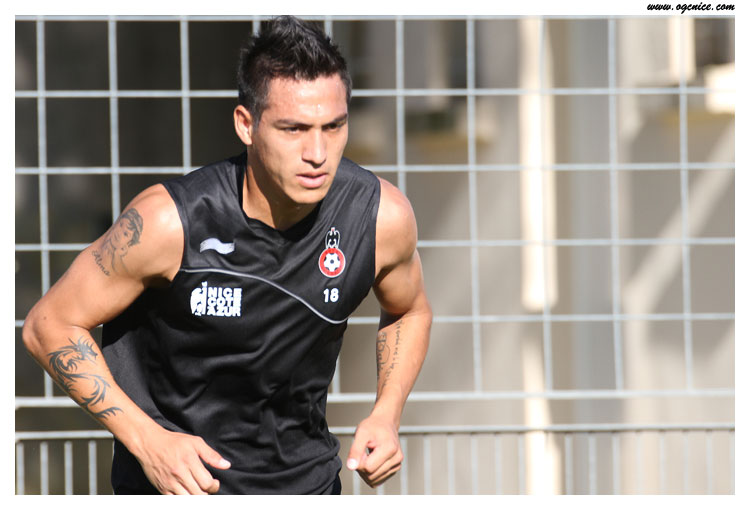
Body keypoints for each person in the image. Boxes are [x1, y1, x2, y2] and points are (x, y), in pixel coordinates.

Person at [22, 16, 431, 495]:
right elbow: (48, 325)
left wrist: (386, 414)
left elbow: (410, 311)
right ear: (246, 125)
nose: (318, 152)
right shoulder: (168, 224)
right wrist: (147, 442)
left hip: (309, 486)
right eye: (294, 129)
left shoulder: (380, 218)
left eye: (334, 126)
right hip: (179, 491)